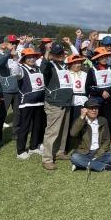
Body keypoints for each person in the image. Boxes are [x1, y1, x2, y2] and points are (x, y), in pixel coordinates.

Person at [40, 42, 74, 170]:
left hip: (66, 102)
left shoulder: (65, 65)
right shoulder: (49, 65)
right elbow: (43, 69)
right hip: (54, 103)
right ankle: (47, 159)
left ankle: (59, 152)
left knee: (63, 131)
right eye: (57, 53)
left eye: (61, 53)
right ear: (52, 54)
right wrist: (47, 54)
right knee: (52, 132)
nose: (60, 55)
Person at [70, 99, 111, 172]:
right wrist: (82, 117)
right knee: (75, 157)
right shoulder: (80, 121)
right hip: (84, 152)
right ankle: (106, 167)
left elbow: (106, 140)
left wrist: (99, 153)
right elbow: (73, 133)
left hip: (99, 151)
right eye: (91, 108)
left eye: (96, 108)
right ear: (85, 110)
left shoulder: (103, 120)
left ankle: (81, 164)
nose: (94, 110)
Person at [14, 48, 45, 159]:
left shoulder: (38, 69)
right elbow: (15, 71)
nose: (32, 59)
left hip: (39, 102)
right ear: (24, 59)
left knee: (37, 126)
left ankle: (33, 147)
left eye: (33, 57)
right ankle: (20, 151)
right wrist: (15, 58)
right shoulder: (21, 69)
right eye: (29, 57)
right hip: (27, 103)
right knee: (25, 127)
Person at [86, 47, 111, 142]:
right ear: (97, 59)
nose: (104, 59)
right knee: (96, 119)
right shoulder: (92, 70)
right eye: (102, 57)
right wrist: (101, 92)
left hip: (109, 99)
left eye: (105, 56)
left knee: (108, 119)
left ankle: (106, 138)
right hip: (97, 100)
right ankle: (95, 139)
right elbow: (88, 87)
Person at [0, 37, 21, 143]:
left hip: (16, 89)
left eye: (15, 43)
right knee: (1, 114)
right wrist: (9, 53)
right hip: (4, 90)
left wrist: (14, 56)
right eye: (11, 43)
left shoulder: (16, 56)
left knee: (18, 114)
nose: (13, 45)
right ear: (3, 44)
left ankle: (16, 134)